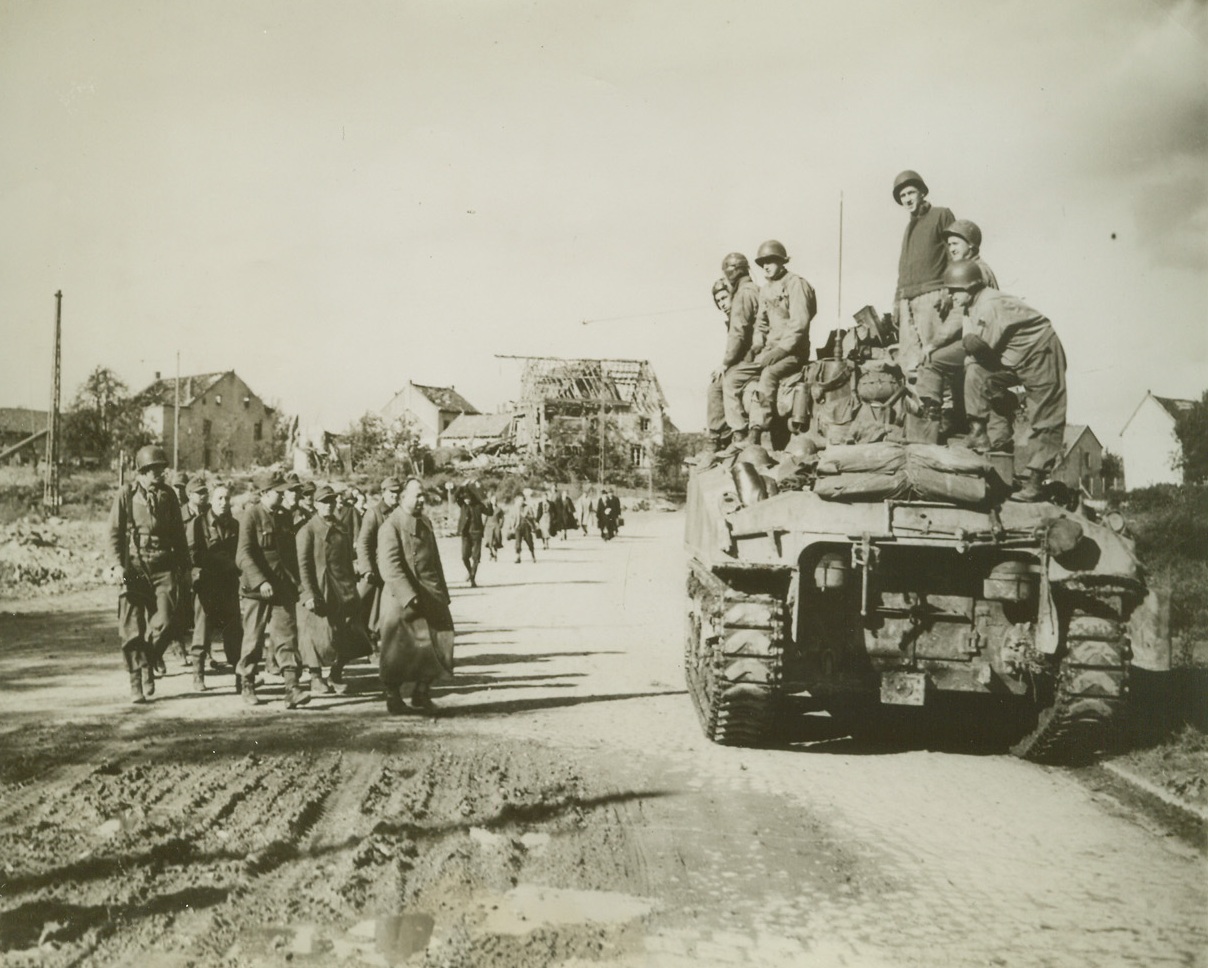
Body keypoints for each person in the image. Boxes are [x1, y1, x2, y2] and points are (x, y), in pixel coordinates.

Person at [949, 262, 1068, 501]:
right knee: (975, 369)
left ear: (971, 288)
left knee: (1045, 417)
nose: (951, 295)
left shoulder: (988, 305)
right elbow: (973, 350)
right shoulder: (969, 307)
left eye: (955, 290)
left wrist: (970, 344)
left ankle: (1035, 483)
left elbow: (979, 345)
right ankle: (979, 433)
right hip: (1013, 358)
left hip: (1040, 352)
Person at [107, 445, 189, 703]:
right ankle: (137, 681)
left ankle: (149, 660)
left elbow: (179, 535)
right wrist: (116, 565)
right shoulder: (126, 495)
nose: (159, 475)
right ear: (141, 473)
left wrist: (185, 567)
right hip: (134, 566)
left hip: (163, 567)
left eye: (161, 470)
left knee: (165, 620)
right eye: (153, 470)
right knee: (132, 628)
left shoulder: (169, 496)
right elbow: (114, 534)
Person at [377, 478, 454, 714]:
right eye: (417, 496)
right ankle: (393, 696)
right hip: (402, 600)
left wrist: (443, 593)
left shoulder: (426, 523)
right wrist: (408, 597)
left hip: (430, 595)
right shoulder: (391, 526)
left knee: (442, 641)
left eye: (422, 496)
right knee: (398, 652)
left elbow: (435, 562)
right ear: (402, 497)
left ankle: (422, 692)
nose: (422, 500)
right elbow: (390, 567)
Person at [235, 471, 309, 708]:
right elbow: (243, 555)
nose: (284, 495)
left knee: (287, 637)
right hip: (256, 590)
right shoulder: (251, 515)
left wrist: (297, 583)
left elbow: (288, 554)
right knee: (253, 639)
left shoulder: (285, 516)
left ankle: (292, 688)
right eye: (279, 492)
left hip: (281, 588)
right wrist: (260, 581)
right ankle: (247, 682)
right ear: (266, 493)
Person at [296, 484, 371, 695]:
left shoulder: (342, 528)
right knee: (318, 637)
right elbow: (303, 566)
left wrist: (353, 584)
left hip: (343, 589)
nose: (328, 506)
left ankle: (336, 674)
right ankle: (315, 678)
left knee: (351, 634)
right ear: (316, 505)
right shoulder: (307, 531)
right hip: (320, 590)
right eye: (323, 502)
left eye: (331, 501)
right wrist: (309, 594)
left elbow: (348, 561)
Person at [751, 240, 817, 443]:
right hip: (770, 350)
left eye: (771, 261)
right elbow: (761, 324)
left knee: (769, 375)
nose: (766, 266)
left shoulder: (796, 284)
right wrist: (755, 345)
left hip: (792, 353)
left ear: (782, 262)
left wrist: (780, 351)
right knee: (738, 376)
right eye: (763, 263)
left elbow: (799, 323)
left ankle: (758, 432)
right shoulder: (765, 290)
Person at [892, 170, 956, 380]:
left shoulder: (941, 215)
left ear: (922, 193)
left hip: (932, 296)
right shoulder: (908, 228)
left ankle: (944, 410)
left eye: (911, 193)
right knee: (910, 362)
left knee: (934, 357)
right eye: (902, 196)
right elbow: (903, 269)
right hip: (907, 300)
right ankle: (922, 410)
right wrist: (897, 302)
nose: (907, 199)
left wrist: (950, 289)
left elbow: (954, 253)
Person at [185, 477, 243, 689]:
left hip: (228, 584)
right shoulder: (197, 524)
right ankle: (198, 673)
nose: (223, 502)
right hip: (207, 584)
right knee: (202, 629)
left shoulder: (236, 525)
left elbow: (240, 552)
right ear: (211, 500)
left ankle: (240, 675)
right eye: (219, 498)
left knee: (234, 630)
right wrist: (196, 572)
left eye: (227, 498)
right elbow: (190, 553)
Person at [718, 254, 764, 450]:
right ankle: (753, 433)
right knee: (751, 387)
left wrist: (726, 362)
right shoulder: (756, 289)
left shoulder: (742, 294)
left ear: (731, 272)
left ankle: (738, 434)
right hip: (763, 353)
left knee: (729, 380)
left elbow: (738, 333)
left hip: (756, 355)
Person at [356, 477, 401, 650]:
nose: (395, 496)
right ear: (384, 493)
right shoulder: (373, 513)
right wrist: (367, 569)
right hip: (376, 570)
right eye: (392, 492)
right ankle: (370, 644)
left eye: (398, 492)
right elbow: (363, 543)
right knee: (366, 607)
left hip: (395, 569)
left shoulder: (401, 513)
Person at [944, 219, 998, 290]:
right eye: (949, 245)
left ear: (970, 244)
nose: (951, 249)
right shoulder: (968, 268)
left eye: (955, 244)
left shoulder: (978, 270)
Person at [455, 487, 486, 586]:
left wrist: (490, 503)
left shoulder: (479, 506)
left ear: (472, 498)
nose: (466, 500)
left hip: (477, 533)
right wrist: (462, 486)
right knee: (464, 557)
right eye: (465, 498)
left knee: (476, 558)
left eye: (468, 498)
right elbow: (455, 496)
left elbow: (489, 512)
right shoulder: (463, 505)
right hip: (465, 534)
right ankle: (470, 572)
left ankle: (472, 578)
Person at [509, 494, 537, 563]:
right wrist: (511, 527)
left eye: (522, 500)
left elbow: (533, 516)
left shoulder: (527, 507)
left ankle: (533, 555)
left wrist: (527, 516)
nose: (521, 501)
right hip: (518, 527)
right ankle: (518, 557)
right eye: (519, 500)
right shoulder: (514, 508)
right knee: (518, 542)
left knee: (529, 541)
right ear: (517, 500)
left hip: (526, 526)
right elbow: (512, 518)